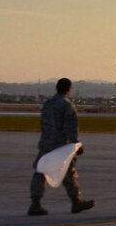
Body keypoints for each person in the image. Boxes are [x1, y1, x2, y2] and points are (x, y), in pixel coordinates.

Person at [30, 78, 93, 216]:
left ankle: (35, 203)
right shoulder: (66, 105)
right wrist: (76, 143)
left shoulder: (48, 104)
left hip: (46, 142)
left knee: (40, 172)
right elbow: (70, 127)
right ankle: (76, 201)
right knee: (69, 173)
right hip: (60, 145)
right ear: (68, 89)